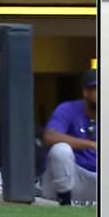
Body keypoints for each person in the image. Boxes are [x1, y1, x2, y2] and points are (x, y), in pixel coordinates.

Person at [41, 69, 97, 205]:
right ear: (86, 92)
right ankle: (65, 204)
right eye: (97, 89)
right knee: (61, 149)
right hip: (72, 178)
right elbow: (49, 136)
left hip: (97, 181)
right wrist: (90, 144)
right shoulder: (68, 109)